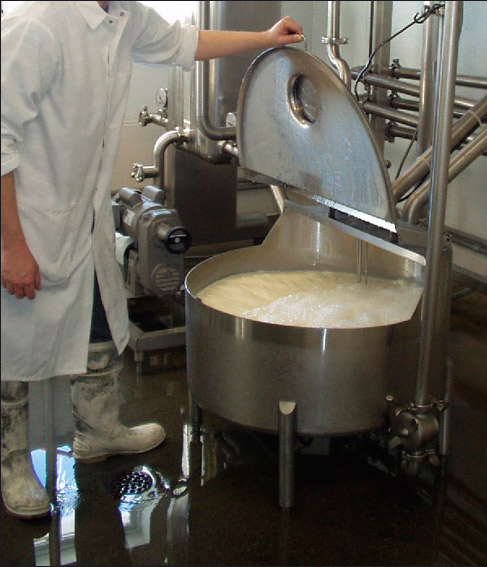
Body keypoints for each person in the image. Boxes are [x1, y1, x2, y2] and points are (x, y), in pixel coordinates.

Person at [1, 0, 303, 520]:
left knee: (99, 318)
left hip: (81, 213)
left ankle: (98, 429)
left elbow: (189, 42)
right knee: (12, 345)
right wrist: (11, 246)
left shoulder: (122, 16)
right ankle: (10, 461)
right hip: (25, 219)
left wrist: (266, 37)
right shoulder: (37, 26)